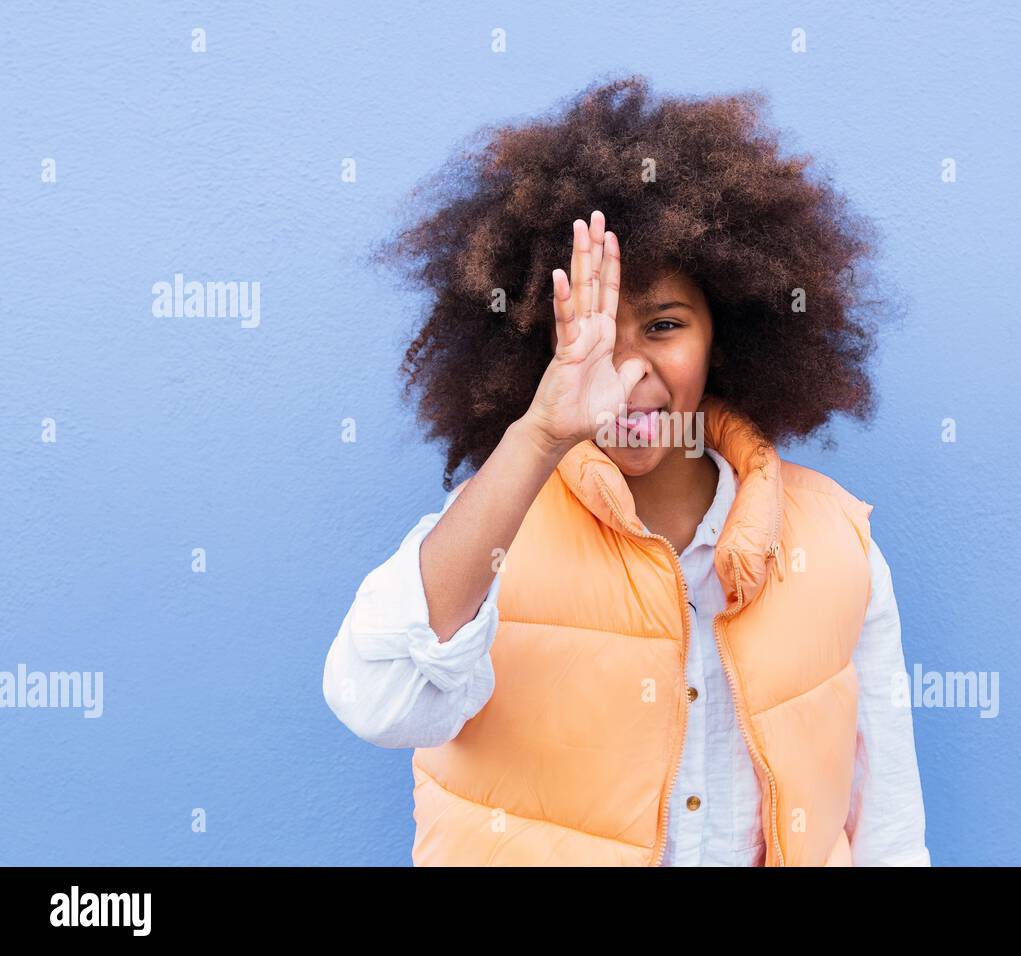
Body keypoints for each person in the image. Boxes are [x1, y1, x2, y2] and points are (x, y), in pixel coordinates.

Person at [323, 75, 930, 867]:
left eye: (665, 325)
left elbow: (888, 830)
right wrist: (541, 432)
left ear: (728, 334)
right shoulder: (493, 534)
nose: (626, 370)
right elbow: (378, 703)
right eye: (593, 332)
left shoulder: (838, 544)